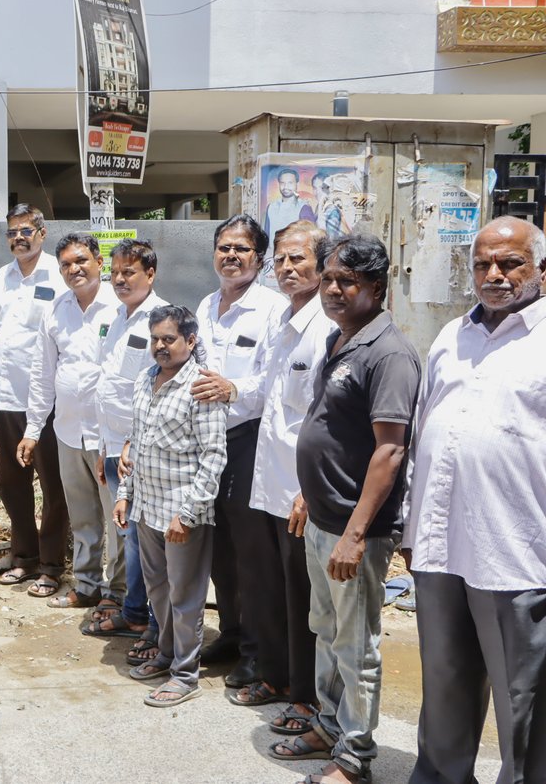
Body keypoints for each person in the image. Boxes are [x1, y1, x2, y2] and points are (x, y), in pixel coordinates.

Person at [271, 234, 420, 784]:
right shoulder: (342, 339)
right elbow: (331, 429)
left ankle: (355, 759)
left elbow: (389, 449)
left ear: (376, 288)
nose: (333, 288)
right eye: (329, 277)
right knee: (326, 629)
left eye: (347, 281)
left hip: (356, 533)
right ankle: (330, 728)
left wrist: (355, 535)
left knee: (356, 647)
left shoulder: (389, 353)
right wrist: (310, 493)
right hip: (323, 519)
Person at [406, 216, 546, 784]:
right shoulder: (450, 335)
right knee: (443, 678)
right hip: (441, 545)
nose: (494, 275)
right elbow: (421, 430)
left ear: (540, 269)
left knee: (524, 697)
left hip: (516, 549)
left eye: (509, 263)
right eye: (483, 263)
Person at [232, 222, 333, 737]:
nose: (289, 268)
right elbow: (262, 396)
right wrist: (224, 388)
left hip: (300, 491)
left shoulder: (327, 327)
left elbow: (328, 420)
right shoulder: (281, 320)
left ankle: (308, 699)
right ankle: (274, 678)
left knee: (304, 599)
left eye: (299, 259)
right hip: (267, 481)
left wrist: (309, 490)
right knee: (268, 586)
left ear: (322, 263)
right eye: (282, 261)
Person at [113, 305, 227, 709]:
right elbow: (137, 443)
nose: (160, 346)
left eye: (169, 339)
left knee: (185, 596)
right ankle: (164, 655)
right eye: (155, 339)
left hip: (182, 515)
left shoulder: (202, 387)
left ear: (190, 341)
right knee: (157, 591)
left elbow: (214, 456)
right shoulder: (146, 380)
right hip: (147, 508)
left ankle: (185, 674)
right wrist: (124, 493)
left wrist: (189, 514)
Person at [192, 214, 286, 689]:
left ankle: (257, 650)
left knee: (252, 553)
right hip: (206, 443)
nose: (231, 256)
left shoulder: (273, 309)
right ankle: (230, 633)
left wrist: (233, 389)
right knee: (218, 550)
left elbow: (273, 381)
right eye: (224, 247)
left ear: (259, 259)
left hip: (249, 439)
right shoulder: (206, 306)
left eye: (241, 249)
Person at [17, 234, 122, 609]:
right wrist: (33, 429)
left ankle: (118, 594)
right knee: (82, 516)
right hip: (67, 431)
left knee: (117, 517)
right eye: (65, 264)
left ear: (98, 261)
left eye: (81, 261)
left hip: (109, 434)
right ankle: (88, 584)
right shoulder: (57, 310)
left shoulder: (119, 305)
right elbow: (43, 373)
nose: (74, 269)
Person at [0, 204, 70, 598]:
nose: (18, 238)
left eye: (26, 231)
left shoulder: (59, 276)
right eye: (12, 232)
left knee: (52, 485)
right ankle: (24, 558)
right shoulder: (1, 278)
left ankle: (50, 567)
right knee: (11, 483)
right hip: (7, 399)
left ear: (42, 233)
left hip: (47, 402)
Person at [83, 238, 169, 661]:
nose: (119, 279)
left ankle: (154, 623)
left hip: (144, 451)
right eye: (114, 272)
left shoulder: (161, 320)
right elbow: (109, 387)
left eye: (129, 272)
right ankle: (135, 613)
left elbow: (157, 389)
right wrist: (105, 447)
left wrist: (131, 445)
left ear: (150, 275)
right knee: (130, 538)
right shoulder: (116, 316)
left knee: (147, 541)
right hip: (115, 446)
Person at [263, 168, 317, 255]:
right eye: (282, 183)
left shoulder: (304, 208)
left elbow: (312, 240)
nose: (286, 187)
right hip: (273, 258)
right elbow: (266, 237)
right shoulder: (271, 207)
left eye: (290, 183)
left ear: (297, 184)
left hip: (295, 258)